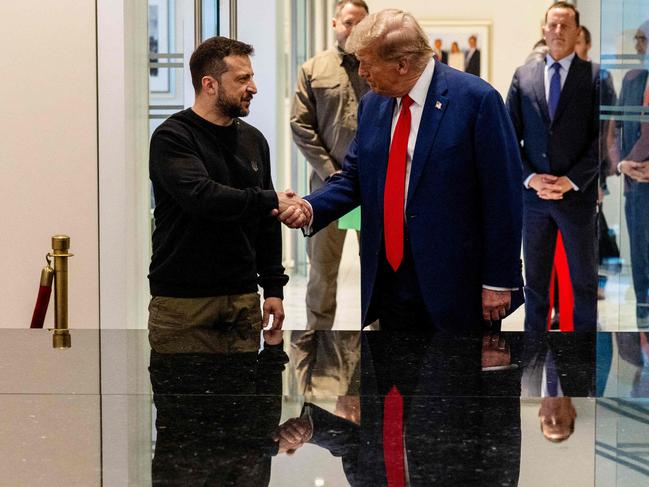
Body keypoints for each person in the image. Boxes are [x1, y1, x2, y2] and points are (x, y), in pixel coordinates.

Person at [278, 9, 524, 333]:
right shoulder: (373, 104)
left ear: (402, 64)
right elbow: (354, 177)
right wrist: (310, 206)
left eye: (367, 63)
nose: (361, 72)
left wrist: (499, 280)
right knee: (394, 379)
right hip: (389, 279)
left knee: (454, 381)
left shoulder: (476, 101)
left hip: (455, 283)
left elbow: (502, 196)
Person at [148, 36, 293, 352]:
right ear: (209, 84)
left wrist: (273, 289)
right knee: (183, 401)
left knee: (244, 400)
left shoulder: (254, 140)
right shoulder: (172, 137)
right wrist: (270, 199)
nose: (253, 87)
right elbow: (202, 197)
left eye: (251, 77)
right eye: (243, 79)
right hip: (183, 305)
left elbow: (266, 222)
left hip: (242, 300)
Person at [506, 2, 600, 332]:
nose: (558, 31)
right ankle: (533, 360)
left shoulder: (594, 77)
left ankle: (585, 363)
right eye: (553, 25)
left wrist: (570, 181)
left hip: (576, 198)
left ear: (577, 33)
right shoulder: (524, 75)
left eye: (565, 26)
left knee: (584, 284)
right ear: (543, 31)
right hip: (534, 202)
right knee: (535, 288)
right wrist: (531, 178)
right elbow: (509, 138)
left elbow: (601, 141)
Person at [291, 0, 369, 330]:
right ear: (335, 24)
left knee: (380, 272)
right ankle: (315, 350)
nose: (354, 29)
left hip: (374, 189)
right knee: (323, 273)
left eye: (361, 23)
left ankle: (385, 358)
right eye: (348, 22)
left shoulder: (380, 68)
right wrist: (330, 171)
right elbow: (300, 124)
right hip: (327, 189)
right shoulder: (313, 69)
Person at [609, 20, 649, 329]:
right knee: (639, 252)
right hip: (635, 186)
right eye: (636, 39)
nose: (637, 46)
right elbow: (615, 130)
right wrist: (621, 164)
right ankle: (643, 316)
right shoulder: (633, 79)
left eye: (641, 39)